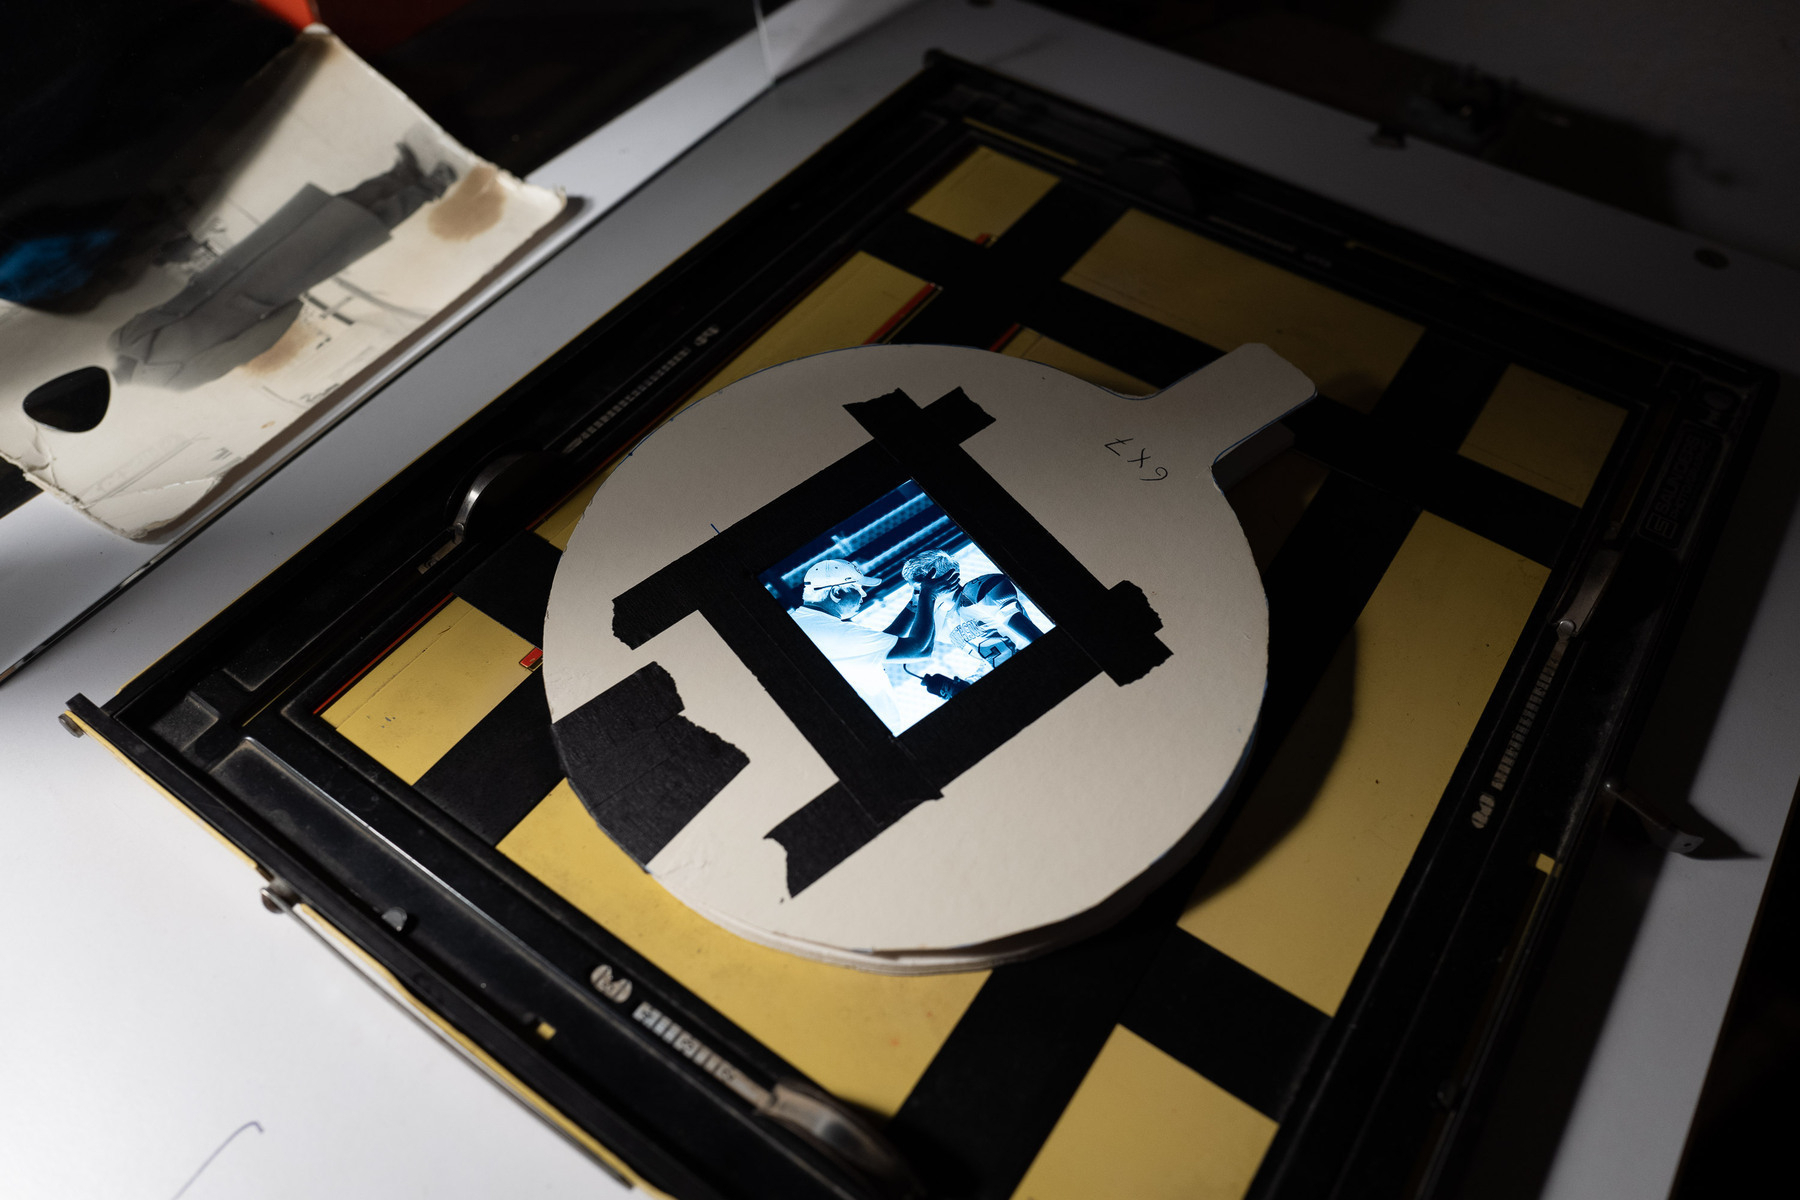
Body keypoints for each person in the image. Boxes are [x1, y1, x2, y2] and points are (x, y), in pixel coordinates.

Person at [789, 557, 956, 734]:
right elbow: (919, 649)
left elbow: (881, 643)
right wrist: (928, 596)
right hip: (871, 733)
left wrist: (916, 601)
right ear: (836, 593)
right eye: (858, 588)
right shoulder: (832, 633)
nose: (863, 594)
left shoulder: (812, 624)